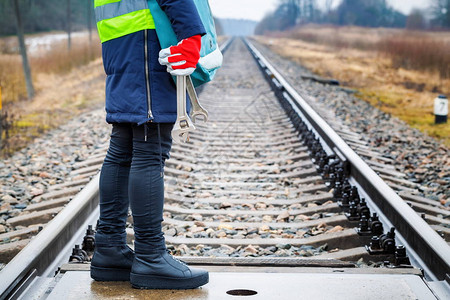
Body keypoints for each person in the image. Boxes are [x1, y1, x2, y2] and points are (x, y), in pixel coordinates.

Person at [89, 0, 208, 290]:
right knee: (149, 146)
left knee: (123, 147)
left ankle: (109, 249)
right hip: (148, 39)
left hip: (121, 40)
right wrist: (191, 36)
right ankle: (151, 255)